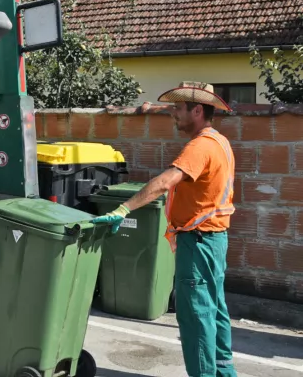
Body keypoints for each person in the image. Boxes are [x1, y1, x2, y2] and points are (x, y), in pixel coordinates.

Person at [93, 82, 237, 377]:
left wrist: (123, 209)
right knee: (215, 309)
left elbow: (164, 181)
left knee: (196, 315)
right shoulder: (220, 142)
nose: (173, 114)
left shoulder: (200, 147)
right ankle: (224, 371)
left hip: (198, 244)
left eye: (178, 108)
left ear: (197, 111)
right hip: (214, 241)